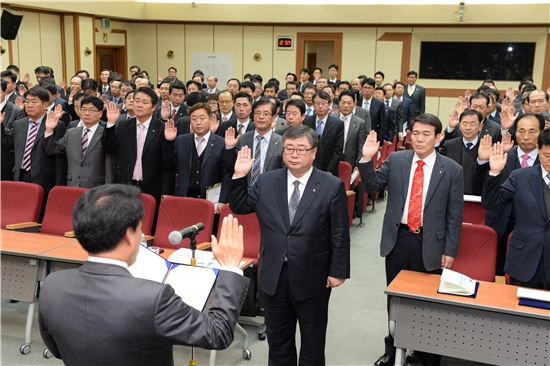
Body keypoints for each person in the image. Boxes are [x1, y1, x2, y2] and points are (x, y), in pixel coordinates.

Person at [39, 184, 250, 366]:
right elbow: (218, 333)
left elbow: (57, 349)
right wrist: (231, 267)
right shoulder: (153, 298)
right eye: (139, 229)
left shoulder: (52, 286)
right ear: (128, 235)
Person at [230, 125, 350, 365]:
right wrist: (239, 176)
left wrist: (338, 272)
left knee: (313, 343)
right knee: (278, 342)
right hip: (274, 274)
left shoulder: (331, 185)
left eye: (301, 149)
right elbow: (240, 206)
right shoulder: (266, 181)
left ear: (314, 153)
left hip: (313, 275)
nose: (294, 154)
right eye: (289, 149)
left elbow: (339, 233)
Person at [359, 113, 463, 366]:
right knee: (395, 301)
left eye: (426, 134)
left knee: (428, 304)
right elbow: (372, 186)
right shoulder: (397, 160)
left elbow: (454, 215)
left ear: (438, 137)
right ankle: (394, 350)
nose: (419, 138)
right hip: (398, 239)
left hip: (431, 243)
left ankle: (426, 355)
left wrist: (449, 250)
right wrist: (366, 158)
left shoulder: (451, 169)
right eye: (415, 133)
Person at [482, 128, 550, 290]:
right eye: (547, 156)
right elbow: (492, 204)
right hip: (524, 261)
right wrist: (494, 173)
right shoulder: (520, 177)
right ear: (538, 149)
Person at [102, 87, 171, 202]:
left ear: (153, 107)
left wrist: (166, 191)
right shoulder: (124, 125)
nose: (139, 105)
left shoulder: (161, 128)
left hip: (152, 187)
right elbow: (108, 147)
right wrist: (110, 123)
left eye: (144, 102)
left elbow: (168, 163)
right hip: (125, 185)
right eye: (137, 101)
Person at [163, 102, 230, 203]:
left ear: (210, 119)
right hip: (184, 198)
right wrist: (169, 142)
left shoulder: (221, 143)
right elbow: (168, 165)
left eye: (202, 118)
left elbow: (226, 175)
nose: (198, 122)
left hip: (210, 201)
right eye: (194, 119)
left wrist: (222, 201)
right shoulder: (181, 141)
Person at [43, 96, 112, 188]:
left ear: (100, 114)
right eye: (83, 109)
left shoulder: (106, 134)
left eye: (91, 110)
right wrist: (49, 130)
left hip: (96, 187)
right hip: (72, 184)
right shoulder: (71, 132)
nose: (87, 113)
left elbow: (109, 165)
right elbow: (52, 149)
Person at [224, 97, 283, 185]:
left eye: (266, 114)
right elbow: (231, 167)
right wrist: (229, 148)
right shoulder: (243, 139)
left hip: (270, 191)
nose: (261, 117)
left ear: (274, 117)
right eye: (257, 113)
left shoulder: (281, 141)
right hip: (244, 191)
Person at [441, 109, 485, 195]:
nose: (468, 127)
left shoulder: (486, 147)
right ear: (460, 125)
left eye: (472, 124)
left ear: (480, 127)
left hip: (477, 197)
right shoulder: (449, 145)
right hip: (452, 194)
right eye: (464, 123)